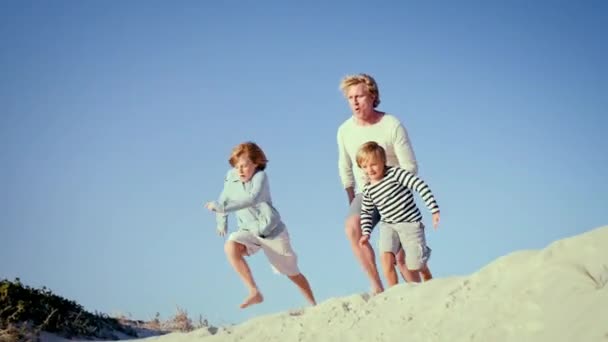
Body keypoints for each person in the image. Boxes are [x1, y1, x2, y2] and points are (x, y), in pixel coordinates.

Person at [336, 73, 432, 293]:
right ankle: (377, 287)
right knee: (352, 228)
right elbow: (344, 165)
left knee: (401, 260)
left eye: (359, 96)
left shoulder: (391, 124)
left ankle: (422, 289)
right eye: (350, 98)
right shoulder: (344, 130)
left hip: (394, 191)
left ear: (372, 96)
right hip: (366, 192)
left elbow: (409, 166)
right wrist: (351, 196)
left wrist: (393, 188)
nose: (355, 102)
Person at [205, 142, 316, 309]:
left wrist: (220, 208)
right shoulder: (232, 177)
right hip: (248, 231)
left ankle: (313, 305)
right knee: (230, 247)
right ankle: (254, 292)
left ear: (256, 163)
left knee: (291, 272)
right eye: (237, 166)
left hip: (271, 231)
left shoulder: (260, 177)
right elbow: (224, 199)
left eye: (244, 166)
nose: (240, 170)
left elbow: (252, 198)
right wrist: (221, 221)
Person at [356, 141, 440, 287]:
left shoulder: (396, 173)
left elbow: (419, 185)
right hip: (389, 225)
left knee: (415, 265)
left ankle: (426, 272)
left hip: (410, 223)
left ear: (383, 161)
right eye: (364, 167)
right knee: (386, 260)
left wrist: (434, 209)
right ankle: (393, 294)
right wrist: (366, 233)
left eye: (373, 164)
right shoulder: (368, 189)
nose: (369, 170)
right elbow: (366, 211)